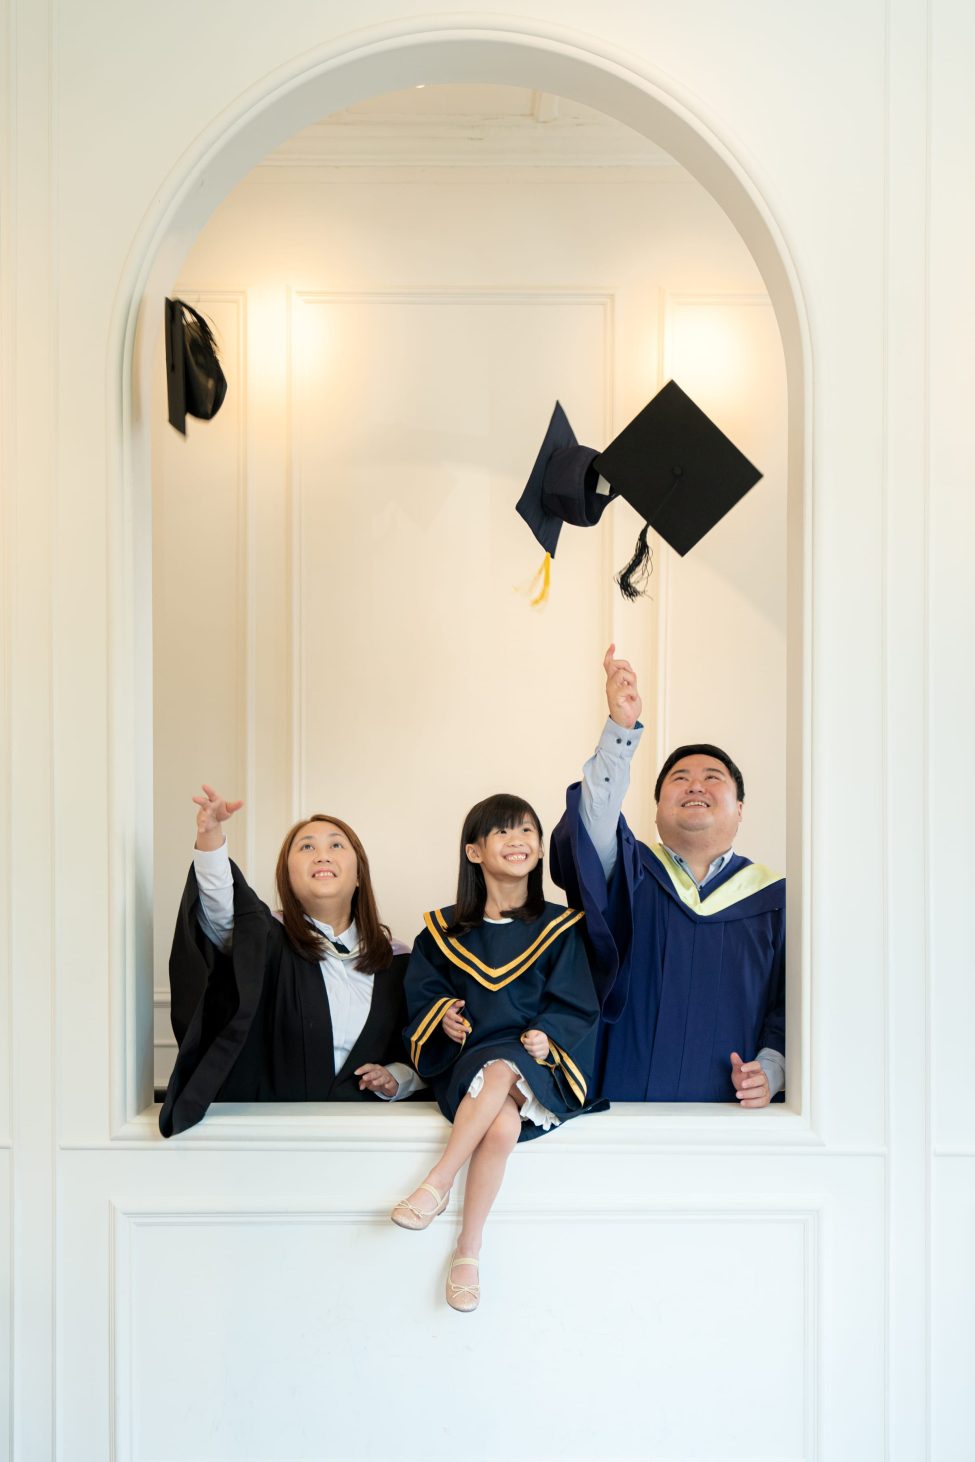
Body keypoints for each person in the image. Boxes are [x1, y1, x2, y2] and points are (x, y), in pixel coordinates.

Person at [390, 793, 601, 1311]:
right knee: (497, 1086)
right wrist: (444, 1016)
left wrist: (547, 1035)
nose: (519, 840)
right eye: (503, 831)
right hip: (468, 1062)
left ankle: (450, 1210)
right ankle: (465, 1247)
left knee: (505, 1111)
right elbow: (424, 993)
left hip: (530, 1063)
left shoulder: (559, 928)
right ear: (473, 851)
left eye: (528, 831)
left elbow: (575, 1001)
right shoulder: (441, 934)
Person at [549, 647, 785, 1107]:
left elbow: (793, 1002)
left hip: (730, 1122)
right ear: (655, 810)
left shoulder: (775, 900)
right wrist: (620, 730)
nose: (696, 784)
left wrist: (773, 1069)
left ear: (740, 809)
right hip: (620, 1108)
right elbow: (592, 826)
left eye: (713, 777)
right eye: (679, 778)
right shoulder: (630, 872)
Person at [159, 785, 423, 1136]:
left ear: (359, 875)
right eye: (306, 847)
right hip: (272, 1136)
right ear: (288, 876)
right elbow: (224, 910)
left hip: (364, 1138)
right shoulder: (268, 939)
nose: (322, 855)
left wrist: (398, 1077)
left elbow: (426, 1049)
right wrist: (211, 836)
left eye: (336, 845)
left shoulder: (399, 961)